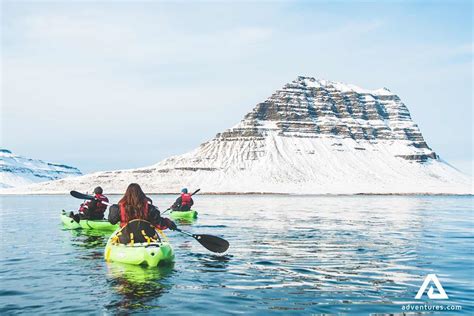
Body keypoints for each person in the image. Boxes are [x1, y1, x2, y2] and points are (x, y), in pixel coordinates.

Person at [108, 183, 177, 244]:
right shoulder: (150, 208)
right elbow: (159, 224)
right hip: (147, 239)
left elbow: (112, 221)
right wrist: (169, 223)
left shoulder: (118, 208)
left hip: (126, 239)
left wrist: (112, 209)